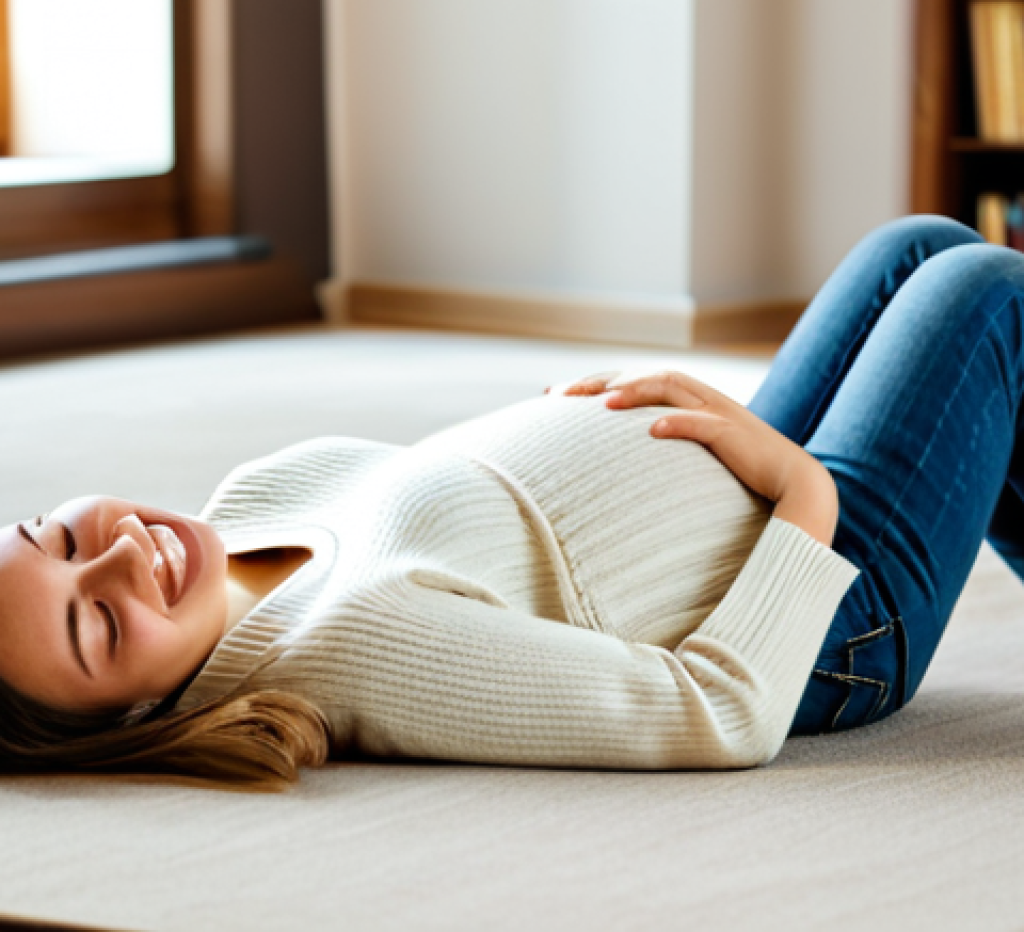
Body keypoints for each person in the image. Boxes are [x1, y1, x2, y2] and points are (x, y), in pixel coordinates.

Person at [0, 214, 1020, 790]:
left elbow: (476, 504)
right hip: (833, 613)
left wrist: (592, 424)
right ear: (126, 720)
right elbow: (718, 712)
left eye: (56, 535)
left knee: (913, 249)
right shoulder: (356, 647)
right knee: (982, 293)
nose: (120, 553)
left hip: (731, 489)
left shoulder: (252, 500)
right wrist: (798, 487)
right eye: (94, 620)